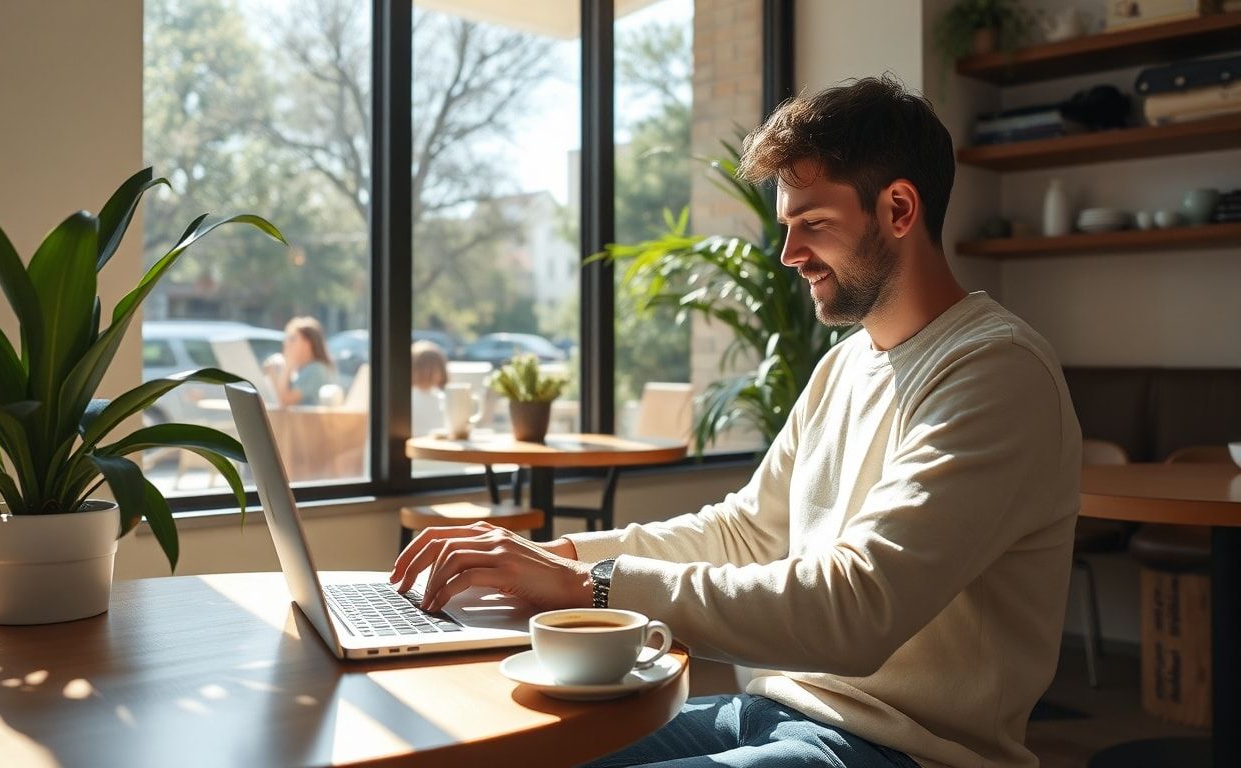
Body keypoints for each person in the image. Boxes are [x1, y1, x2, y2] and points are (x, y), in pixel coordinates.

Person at [390, 76, 1081, 768]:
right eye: (787, 227)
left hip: (900, 749)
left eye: (812, 223)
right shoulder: (846, 366)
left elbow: (860, 605)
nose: (789, 255)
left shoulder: (996, 371)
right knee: (509, 755)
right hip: (771, 710)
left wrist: (588, 589)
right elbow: (745, 533)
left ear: (899, 209)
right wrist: (556, 558)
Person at [266, 316, 336, 407]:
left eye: (292, 339)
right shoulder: (302, 370)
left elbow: (285, 401)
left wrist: (286, 366)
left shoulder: (315, 369)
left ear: (307, 344)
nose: (286, 343)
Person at [411, 340, 449, 436]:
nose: (428, 373)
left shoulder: (444, 399)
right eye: (423, 368)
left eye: (434, 368)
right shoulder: (406, 401)